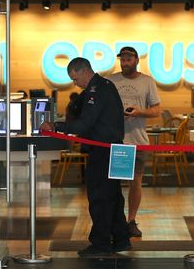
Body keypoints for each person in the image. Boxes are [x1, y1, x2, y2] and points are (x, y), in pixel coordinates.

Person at [41, 57, 131, 257]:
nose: (75, 83)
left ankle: (100, 244)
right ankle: (121, 238)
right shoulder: (106, 85)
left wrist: (57, 127)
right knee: (113, 197)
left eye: (75, 79)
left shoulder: (95, 91)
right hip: (114, 149)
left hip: (103, 151)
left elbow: (84, 124)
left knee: (100, 198)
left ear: (83, 71)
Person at [108, 46, 161, 237]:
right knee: (113, 183)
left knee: (135, 181)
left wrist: (139, 112)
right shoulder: (111, 80)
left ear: (137, 60)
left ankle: (131, 220)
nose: (125, 62)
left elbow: (156, 110)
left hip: (138, 140)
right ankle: (116, 221)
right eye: (122, 59)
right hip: (115, 140)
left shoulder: (147, 82)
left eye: (128, 58)